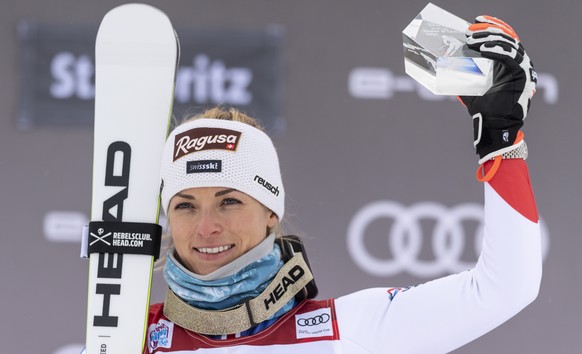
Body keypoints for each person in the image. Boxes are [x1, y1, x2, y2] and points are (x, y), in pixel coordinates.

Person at [145, 15, 541, 353]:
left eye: (229, 201)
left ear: (270, 212)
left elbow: (504, 289)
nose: (206, 226)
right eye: (185, 205)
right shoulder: (126, 334)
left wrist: (499, 142)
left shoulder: (349, 331)